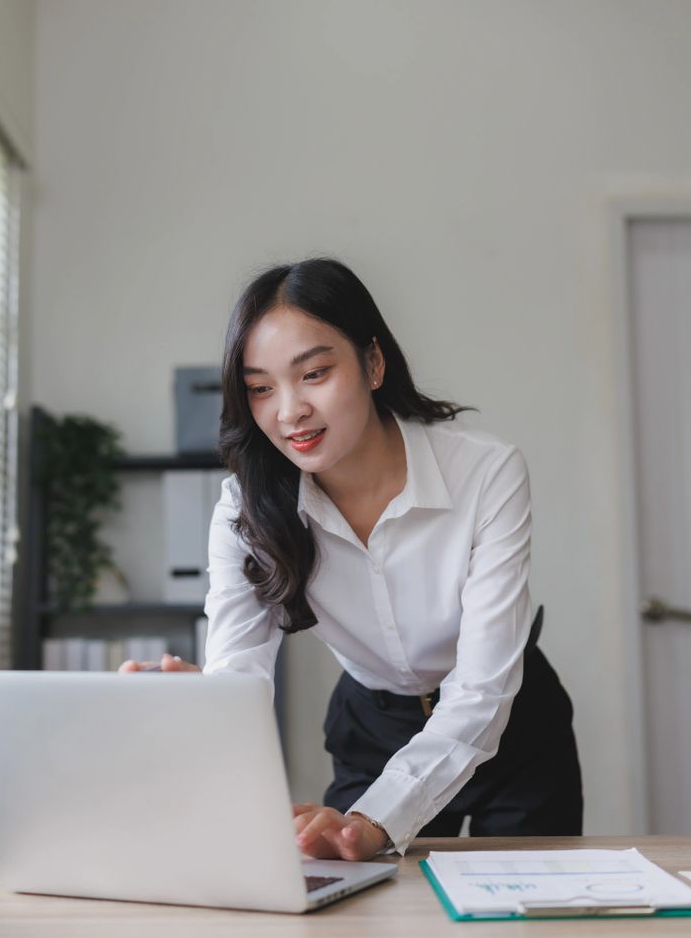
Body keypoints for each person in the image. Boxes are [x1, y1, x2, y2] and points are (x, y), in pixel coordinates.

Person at [123, 257, 582, 860]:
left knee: (535, 931)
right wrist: (209, 702)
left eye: (313, 373)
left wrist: (376, 817)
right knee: (365, 921)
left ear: (372, 363)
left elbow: (480, 688)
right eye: (261, 388)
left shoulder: (485, 472)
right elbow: (240, 668)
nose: (289, 412)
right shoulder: (247, 506)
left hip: (512, 724)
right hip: (373, 728)